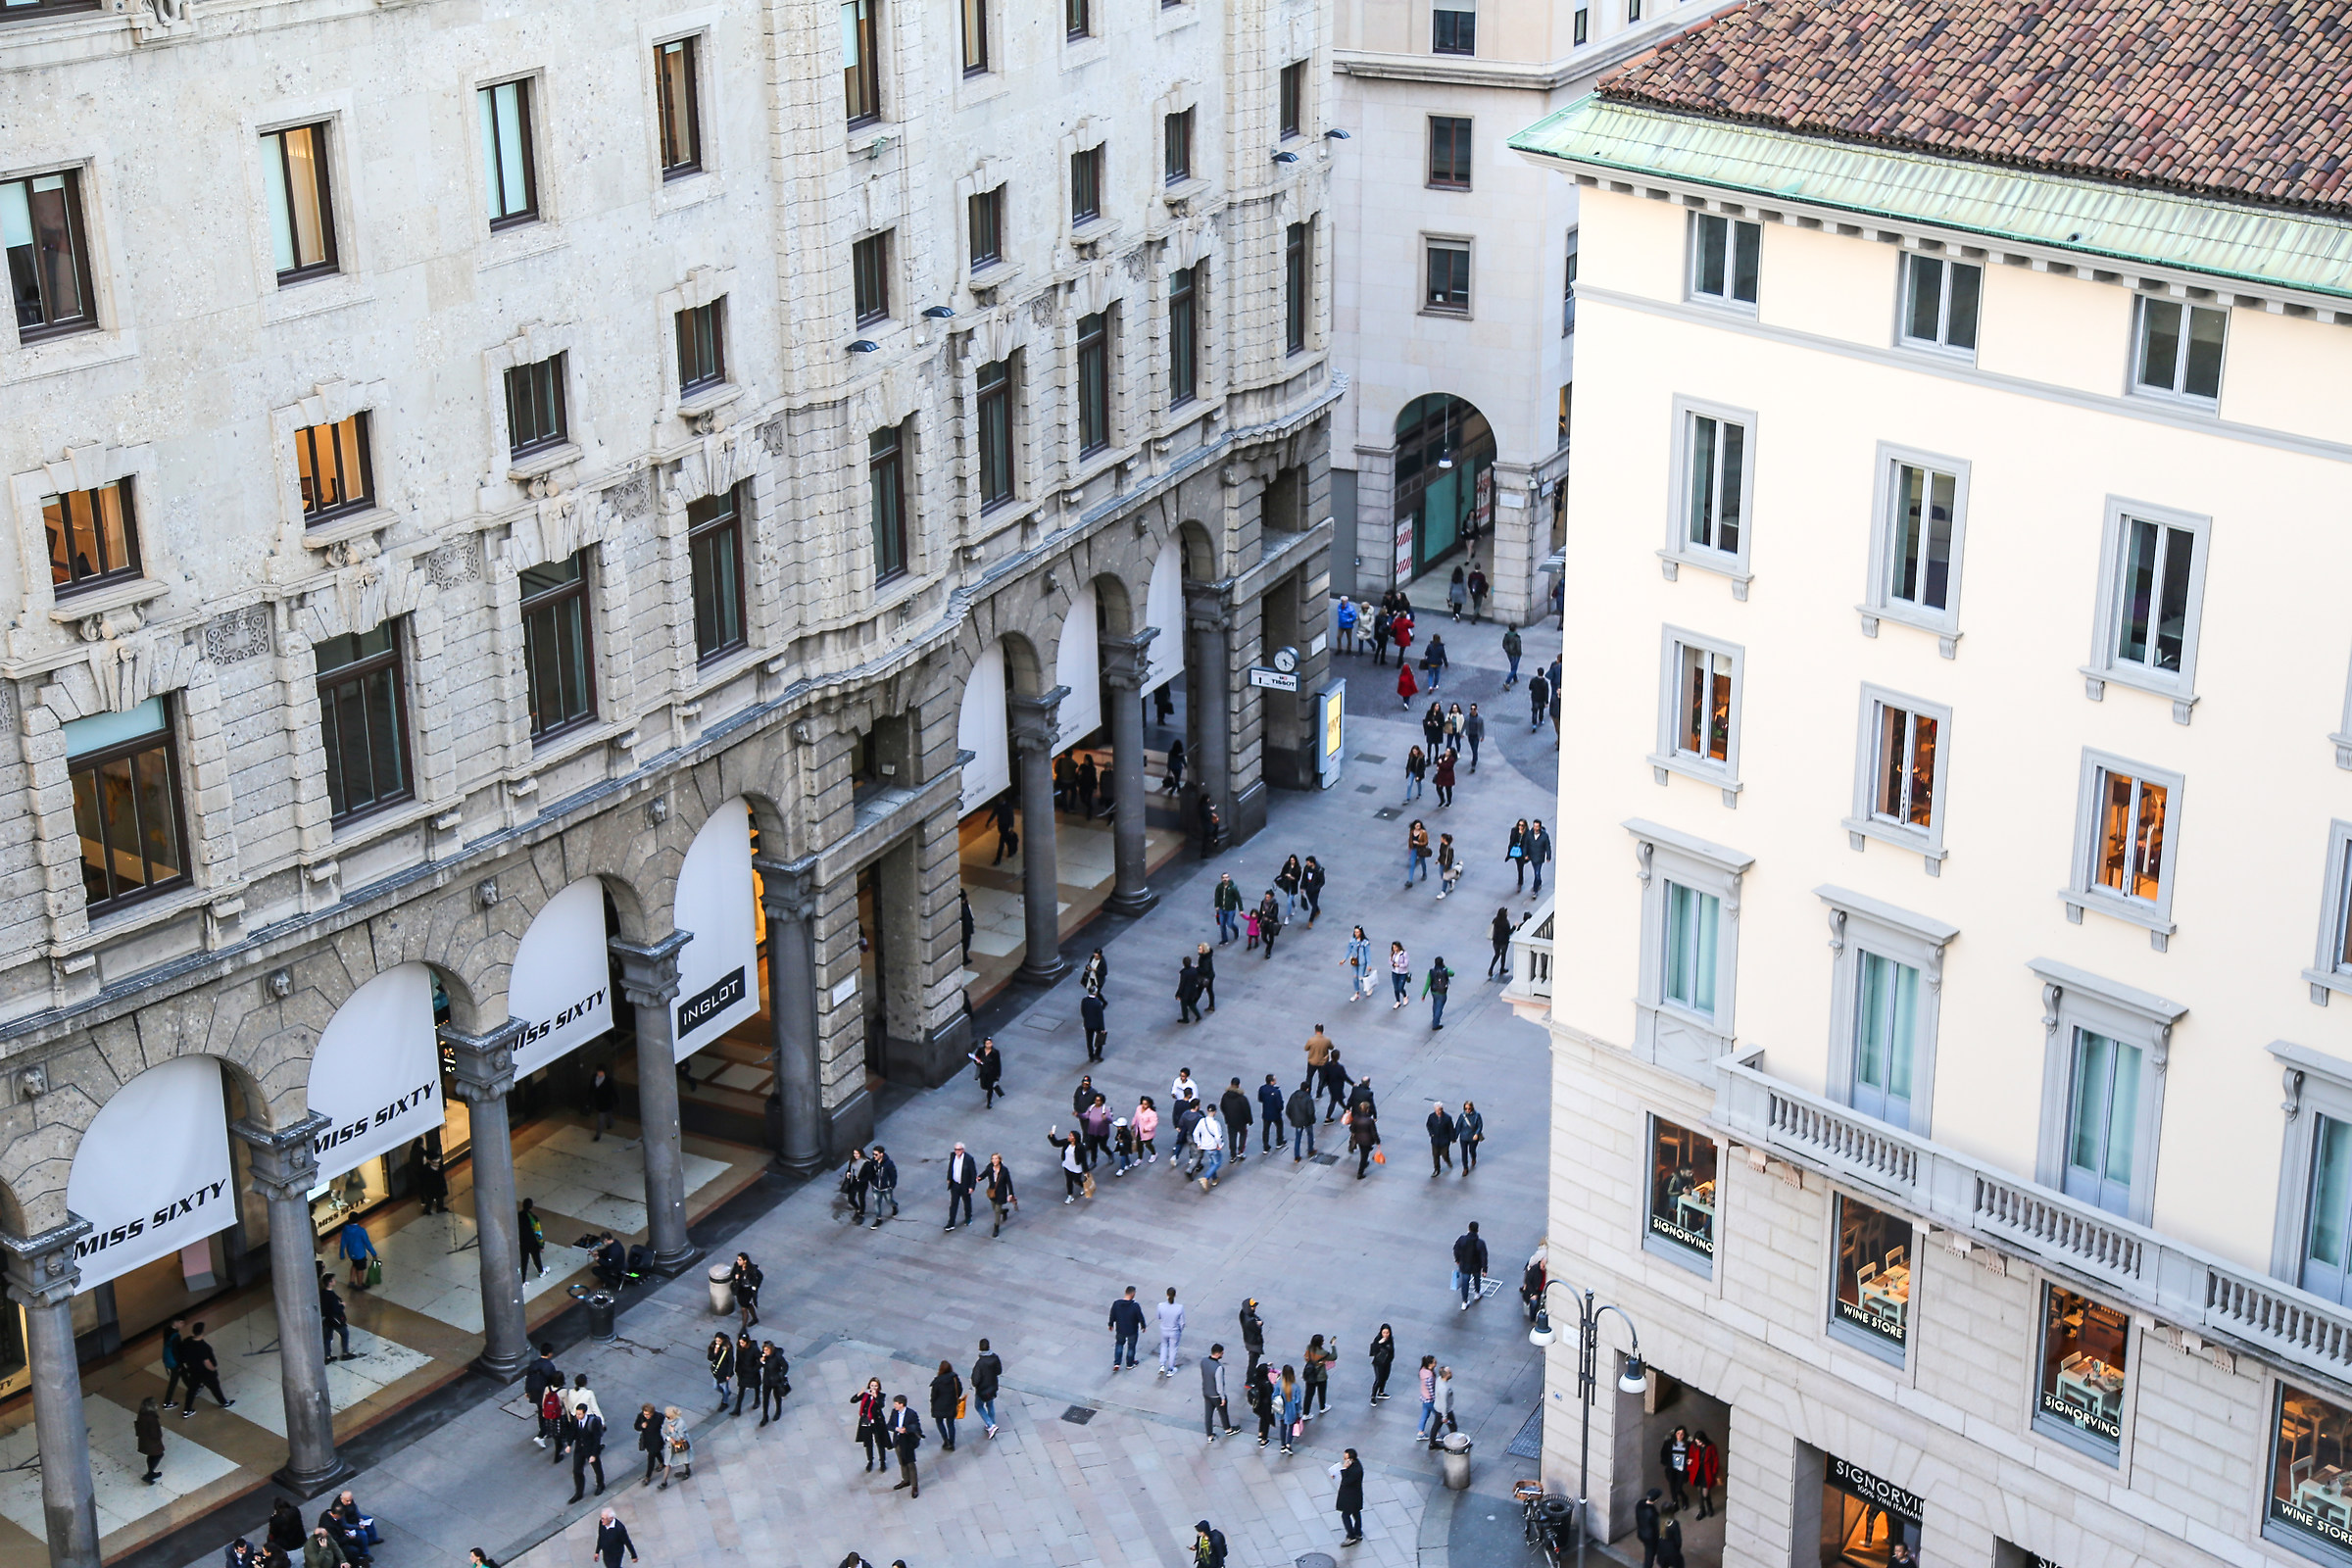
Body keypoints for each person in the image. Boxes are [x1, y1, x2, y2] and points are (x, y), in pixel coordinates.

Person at [176, 1322, 233, 1415]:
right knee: (215, 1387)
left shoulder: (187, 1341)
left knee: (192, 1390)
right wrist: (213, 1370)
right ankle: (223, 1402)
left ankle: (186, 1410)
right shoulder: (204, 1347)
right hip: (205, 1373)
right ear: (202, 1333)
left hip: (193, 1370)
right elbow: (207, 1362)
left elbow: (183, 1354)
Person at [886, 1394, 924, 1495]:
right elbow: (889, 1425)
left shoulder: (911, 1414)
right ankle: (906, 1480)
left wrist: (906, 1429)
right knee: (902, 1462)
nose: (894, 1406)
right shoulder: (894, 1413)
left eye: (896, 1404)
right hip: (898, 1440)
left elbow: (917, 1427)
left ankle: (914, 1486)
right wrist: (896, 1429)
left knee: (910, 1463)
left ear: (901, 1404)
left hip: (908, 1441)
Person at [568, 1401, 607, 1500]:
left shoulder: (592, 1422)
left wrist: (594, 1454)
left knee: (597, 1468)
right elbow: (573, 1432)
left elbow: (597, 1438)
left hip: (590, 1448)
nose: (578, 1416)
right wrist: (569, 1444)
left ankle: (600, 1484)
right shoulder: (575, 1420)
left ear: (585, 1413)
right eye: (577, 1414)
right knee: (576, 1470)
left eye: (580, 1414)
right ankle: (579, 1492)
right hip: (579, 1449)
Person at [1200, 1343, 1238, 1440]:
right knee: (1223, 1412)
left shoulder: (1204, 1361)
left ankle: (1209, 1435)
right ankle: (1228, 1429)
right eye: (1222, 1353)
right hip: (1216, 1395)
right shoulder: (1218, 1367)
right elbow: (1219, 1385)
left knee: (1208, 1414)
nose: (1222, 1354)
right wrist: (1222, 1397)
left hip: (1206, 1392)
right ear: (1218, 1354)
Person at [851, 1380, 888, 1472]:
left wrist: (876, 1398)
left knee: (880, 1442)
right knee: (868, 1442)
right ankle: (870, 1461)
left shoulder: (881, 1395)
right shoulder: (865, 1395)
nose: (873, 1387)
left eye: (875, 1386)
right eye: (872, 1385)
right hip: (866, 1421)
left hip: (877, 1422)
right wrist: (859, 1394)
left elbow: (881, 1405)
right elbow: (853, 1401)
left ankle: (882, 1461)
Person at [1332, 1447, 1366, 1544]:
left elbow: (1346, 1481)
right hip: (1355, 1495)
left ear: (1350, 1459)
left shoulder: (1355, 1470)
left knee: (1345, 1515)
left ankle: (1351, 1536)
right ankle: (1358, 1532)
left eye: (1345, 1458)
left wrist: (1344, 1469)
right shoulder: (1356, 1465)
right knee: (1356, 1513)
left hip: (1350, 1497)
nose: (1344, 1460)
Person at [970, 1340, 1004, 1438]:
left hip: (982, 1390)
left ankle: (990, 1425)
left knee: (979, 1406)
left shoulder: (980, 1363)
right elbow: (999, 1371)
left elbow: (975, 1380)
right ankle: (992, 1423)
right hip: (993, 1387)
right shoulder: (995, 1358)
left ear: (980, 1348)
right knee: (990, 1404)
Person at [929, 1358, 963, 1453]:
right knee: (951, 1424)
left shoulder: (937, 1382)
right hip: (951, 1405)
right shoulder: (954, 1378)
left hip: (939, 1407)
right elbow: (959, 1390)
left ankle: (946, 1441)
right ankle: (952, 1443)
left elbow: (933, 1396)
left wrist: (932, 1404)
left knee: (940, 1423)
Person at [982, 1151, 1019, 1237]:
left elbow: (1009, 1182)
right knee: (994, 1208)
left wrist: (1011, 1194)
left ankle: (996, 1228)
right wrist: (979, 1178)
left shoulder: (1004, 1170)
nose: (994, 1160)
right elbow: (985, 1174)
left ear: (999, 1160)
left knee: (997, 1211)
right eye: (992, 1159)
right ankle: (1004, 1211)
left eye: (996, 1159)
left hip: (1001, 1193)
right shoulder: (989, 1167)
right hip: (992, 1192)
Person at [1453, 1221, 1489, 1309]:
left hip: (1464, 1265)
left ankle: (1464, 1302)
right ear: (1477, 1230)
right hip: (1476, 1266)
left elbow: (1456, 1249)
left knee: (1465, 1283)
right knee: (1477, 1278)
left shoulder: (1462, 1239)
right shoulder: (1480, 1243)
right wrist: (1484, 1269)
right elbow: (1484, 1256)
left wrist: (1457, 1259)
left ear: (1468, 1229)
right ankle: (1477, 1293)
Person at [1192, 1100, 1227, 1189]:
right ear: (1215, 1112)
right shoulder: (1215, 1124)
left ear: (1207, 1111)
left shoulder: (1202, 1121)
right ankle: (1206, 1178)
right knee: (1217, 1163)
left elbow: (1195, 1133)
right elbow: (1218, 1137)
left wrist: (1198, 1143)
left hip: (1205, 1146)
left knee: (1212, 1162)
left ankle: (1215, 1179)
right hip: (1213, 1147)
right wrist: (1220, 1145)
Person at [1109, 1286, 1147, 1370]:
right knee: (1131, 1347)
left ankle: (1117, 1363)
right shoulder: (1135, 1306)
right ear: (1133, 1294)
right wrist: (1143, 1326)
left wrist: (1110, 1324)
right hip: (1132, 1331)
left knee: (1119, 1344)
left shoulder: (1117, 1303)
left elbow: (1112, 1315)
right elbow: (1140, 1317)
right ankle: (1129, 1364)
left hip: (1120, 1329)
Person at [1049, 1124, 1088, 1202]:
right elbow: (1056, 1143)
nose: (1069, 1137)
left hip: (1076, 1167)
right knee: (1069, 1181)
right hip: (1067, 1165)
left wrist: (1086, 1170)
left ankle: (1083, 1186)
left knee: (1076, 1180)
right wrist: (1052, 1136)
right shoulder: (1066, 1142)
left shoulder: (1080, 1147)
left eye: (1071, 1135)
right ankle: (1070, 1195)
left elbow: (1083, 1159)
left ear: (1075, 1138)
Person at [944, 1143, 977, 1232]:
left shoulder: (969, 1159)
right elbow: (951, 1167)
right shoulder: (953, 1156)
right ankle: (951, 1223)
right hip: (955, 1185)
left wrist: (972, 1186)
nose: (956, 1151)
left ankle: (968, 1217)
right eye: (955, 1149)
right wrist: (949, 1178)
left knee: (966, 1202)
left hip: (965, 1185)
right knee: (954, 1204)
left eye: (958, 1150)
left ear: (963, 1150)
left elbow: (973, 1174)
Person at [318, 1274, 353, 1360]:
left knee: (327, 1337)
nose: (335, 1281)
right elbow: (336, 1309)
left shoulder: (323, 1292)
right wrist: (342, 1306)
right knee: (345, 1334)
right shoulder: (332, 1297)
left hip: (327, 1320)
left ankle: (328, 1356)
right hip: (335, 1320)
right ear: (330, 1283)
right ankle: (345, 1353)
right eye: (333, 1280)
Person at [337, 1219, 378, 1292]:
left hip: (351, 1252)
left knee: (354, 1264)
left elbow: (343, 1242)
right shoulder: (361, 1231)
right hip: (360, 1254)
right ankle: (360, 1285)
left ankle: (351, 1281)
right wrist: (373, 1253)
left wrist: (342, 1254)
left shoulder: (345, 1230)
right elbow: (367, 1243)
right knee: (360, 1269)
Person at [1690, 1429, 1723, 1519]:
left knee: (1705, 1494)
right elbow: (1691, 1456)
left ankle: (1708, 1508)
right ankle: (1703, 1510)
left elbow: (1715, 1460)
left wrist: (1714, 1471)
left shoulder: (1711, 1447)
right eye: (1697, 1442)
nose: (1698, 1444)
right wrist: (1690, 1462)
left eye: (1699, 1442)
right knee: (1700, 1493)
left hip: (1706, 1473)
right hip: (1698, 1472)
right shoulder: (1695, 1446)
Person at [1219, 1078, 1253, 1164]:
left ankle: (1232, 1155)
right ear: (1238, 1085)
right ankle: (1240, 1152)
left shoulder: (1225, 1096)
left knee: (1232, 1137)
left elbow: (1222, 1107)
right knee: (1243, 1134)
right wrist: (1249, 1120)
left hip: (1230, 1121)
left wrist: (1227, 1115)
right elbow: (1247, 1110)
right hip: (1241, 1122)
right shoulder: (1242, 1098)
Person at [657, 1404, 691, 1490]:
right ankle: (664, 1481)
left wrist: (672, 1432)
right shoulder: (666, 1420)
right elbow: (663, 1430)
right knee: (667, 1463)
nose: (666, 1418)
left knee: (685, 1459)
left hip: (680, 1445)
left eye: (668, 1416)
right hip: (670, 1446)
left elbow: (680, 1437)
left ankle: (687, 1471)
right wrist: (668, 1438)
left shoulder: (680, 1423)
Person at [866, 1144, 900, 1227]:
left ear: (882, 1154)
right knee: (877, 1203)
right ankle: (878, 1219)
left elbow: (893, 1175)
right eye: (873, 1154)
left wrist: (891, 1186)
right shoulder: (873, 1162)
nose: (874, 1156)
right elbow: (871, 1171)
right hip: (876, 1187)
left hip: (886, 1188)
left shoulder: (888, 1164)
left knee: (889, 1201)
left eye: (876, 1154)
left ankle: (894, 1206)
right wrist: (872, 1181)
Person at [1660, 1425, 1692, 1511]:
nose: (1680, 1436)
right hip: (1672, 1468)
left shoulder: (1688, 1445)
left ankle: (1684, 1498)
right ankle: (1675, 1503)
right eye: (1678, 1433)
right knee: (1672, 1487)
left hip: (1682, 1469)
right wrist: (1667, 1463)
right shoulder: (1669, 1443)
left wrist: (1690, 1461)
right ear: (1675, 1434)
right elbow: (1663, 1454)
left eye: (1682, 1434)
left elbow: (1692, 1455)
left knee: (1678, 1488)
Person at [1301, 1334, 1334, 1418]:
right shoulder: (1324, 1353)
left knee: (1308, 1394)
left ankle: (1306, 1413)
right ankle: (1322, 1407)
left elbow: (1306, 1358)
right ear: (1320, 1343)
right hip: (1321, 1376)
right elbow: (1334, 1356)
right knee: (1321, 1392)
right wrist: (1333, 1346)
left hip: (1310, 1374)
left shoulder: (1309, 1347)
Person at [1157, 1287, 1187, 1377]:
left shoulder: (1160, 1305)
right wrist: (1179, 1330)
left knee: (1164, 1346)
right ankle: (1170, 1368)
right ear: (1175, 1295)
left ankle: (1162, 1365)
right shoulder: (1179, 1307)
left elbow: (1158, 1317)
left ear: (1166, 1294)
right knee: (1173, 1349)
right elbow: (1182, 1322)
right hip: (1174, 1331)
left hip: (1164, 1329)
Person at [1275, 1364, 1303, 1455]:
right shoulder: (1295, 1386)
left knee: (1282, 1427)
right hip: (1291, 1410)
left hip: (1281, 1409)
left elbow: (1274, 1396)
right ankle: (1288, 1444)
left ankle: (1282, 1445)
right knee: (1291, 1427)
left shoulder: (1279, 1384)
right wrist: (1299, 1411)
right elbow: (1298, 1401)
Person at [135, 1396, 165, 1483]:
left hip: (145, 1440)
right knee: (158, 1455)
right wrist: (158, 1437)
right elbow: (154, 1433)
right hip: (152, 1442)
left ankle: (150, 1472)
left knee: (152, 1455)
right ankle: (150, 1474)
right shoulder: (151, 1418)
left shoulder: (142, 1413)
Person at [1427, 1365, 1457, 1448]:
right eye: (1450, 1372)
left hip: (1438, 1408)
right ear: (1446, 1375)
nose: (1451, 1373)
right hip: (1445, 1410)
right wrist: (1445, 1416)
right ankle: (1454, 1443)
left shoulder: (1439, 1379)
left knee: (1436, 1425)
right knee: (1453, 1427)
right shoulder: (1444, 1389)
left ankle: (1432, 1443)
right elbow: (1444, 1403)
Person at [413, 1144, 449, 1214]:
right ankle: (427, 1210)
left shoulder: (438, 1165)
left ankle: (440, 1208)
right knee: (430, 1199)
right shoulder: (427, 1168)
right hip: (431, 1186)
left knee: (439, 1198)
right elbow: (424, 1179)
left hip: (438, 1185)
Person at [1348, 1100, 1381, 1179]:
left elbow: (1352, 1129)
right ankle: (1360, 1173)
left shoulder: (1356, 1118)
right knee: (1364, 1156)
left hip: (1359, 1139)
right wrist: (1377, 1141)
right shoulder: (1369, 1120)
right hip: (1367, 1141)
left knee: (1363, 1152)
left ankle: (1364, 1163)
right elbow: (1374, 1132)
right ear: (1367, 1109)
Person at [731, 1251, 763, 1328]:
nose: (738, 1261)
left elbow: (760, 1276)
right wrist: (735, 1278)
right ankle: (755, 1318)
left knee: (744, 1308)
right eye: (738, 1259)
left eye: (740, 1260)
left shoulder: (751, 1269)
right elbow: (732, 1274)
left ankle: (743, 1327)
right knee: (747, 1305)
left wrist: (756, 1286)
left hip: (748, 1290)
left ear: (745, 1261)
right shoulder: (737, 1266)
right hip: (740, 1288)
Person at [517, 1198, 547, 1280]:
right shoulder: (534, 1218)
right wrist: (541, 1245)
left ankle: (523, 1280)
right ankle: (541, 1271)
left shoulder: (519, 1215)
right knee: (536, 1258)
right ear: (531, 1206)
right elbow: (538, 1233)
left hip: (523, 1241)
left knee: (524, 1261)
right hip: (533, 1242)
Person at [970, 1037, 1004, 1107]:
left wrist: (997, 1076)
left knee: (990, 1088)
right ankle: (992, 1088)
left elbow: (998, 1064)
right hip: (983, 1072)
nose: (989, 1045)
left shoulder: (995, 1052)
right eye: (987, 1043)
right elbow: (976, 1058)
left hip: (991, 1073)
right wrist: (977, 1062)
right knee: (983, 1086)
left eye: (990, 1043)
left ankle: (989, 1101)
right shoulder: (980, 1050)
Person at [1343, 927, 1374, 1002]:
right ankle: (1357, 993)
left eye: (1357, 932)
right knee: (1355, 977)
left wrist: (1369, 964)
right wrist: (1344, 959)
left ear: (1361, 932)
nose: (1356, 934)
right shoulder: (1352, 940)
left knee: (1360, 977)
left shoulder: (1365, 942)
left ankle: (1368, 986)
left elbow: (1367, 953)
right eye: (1355, 932)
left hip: (1362, 962)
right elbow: (1348, 950)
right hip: (1354, 961)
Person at [1367, 1325, 1396, 1404]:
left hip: (1387, 1362)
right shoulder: (1378, 1340)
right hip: (1379, 1363)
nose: (1386, 1334)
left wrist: (1391, 1359)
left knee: (1385, 1377)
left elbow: (1392, 1350)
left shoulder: (1390, 1340)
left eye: (1387, 1333)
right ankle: (1373, 1396)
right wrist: (1379, 1343)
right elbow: (1373, 1350)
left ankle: (1381, 1392)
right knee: (1379, 1379)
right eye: (1384, 1332)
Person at [1427, 1102, 1458, 1176]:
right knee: (1435, 1155)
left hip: (1444, 1140)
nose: (1438, 1112)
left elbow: (1451, 1129)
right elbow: (1428, 1125)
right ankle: (1437, 1169)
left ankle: (1447, 1160)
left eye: (1439, 1110)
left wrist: (1453, 1138)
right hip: (1435, 1140)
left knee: (1444, 1154)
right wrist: (1431, 1133)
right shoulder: (1431, 1117)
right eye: (1436, 1111)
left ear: (1442, 1109)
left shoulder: (1447, 1118)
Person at [840, 1147, 870, 1222]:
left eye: (857, 1153)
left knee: (861, 1198)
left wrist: (862, 1180)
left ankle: (861, 1214)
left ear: (861, 1153)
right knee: (851, 1199)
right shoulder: (852, 1161)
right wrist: (848, 1173)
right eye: (854, 1153)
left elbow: (870, 1175)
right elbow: (849, 1169)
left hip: (862, 1183)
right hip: (853, 1182)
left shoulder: (866, 1162)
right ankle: (857, 1209)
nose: (855, 1155)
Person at [1256, 1074, 1285, 1153]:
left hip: (1266, 1112)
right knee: (1279, 1126)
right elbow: (1279, 1105)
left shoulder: (1262, 1089)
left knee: (1266, 1129)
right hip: (1275, 1113)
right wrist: (1280, 1108)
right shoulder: (1276, 1092)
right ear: (1272, 1082)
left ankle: (1266, 1146)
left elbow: (1260, 1099)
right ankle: (1279, 1141)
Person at [1238, 1298, 1267, 1376]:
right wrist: (1259, 1324)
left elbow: (1255, 1317)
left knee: (1253, 1360)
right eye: (1253, 1306)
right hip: (1253, 1343)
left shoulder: (1243, 1313)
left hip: (1248, 1339)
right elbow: (1258, 1330)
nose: (1255, 1308)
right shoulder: (1250, 1321)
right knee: (1253, 1362)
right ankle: (1250, 1380)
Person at [1424, 955, 1454, 1029]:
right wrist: (1445, 967)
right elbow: (1452, 973)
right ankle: (1435, 1024)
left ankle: (1434, 1018)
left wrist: (1423, 994)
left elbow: (1427, 983)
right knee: (1439, 1008)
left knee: (1435, 1004)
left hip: (1434, 991)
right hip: (1442, 992)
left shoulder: (1431, 971)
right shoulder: (1445, 971)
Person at [708, 1332, 736, 1411]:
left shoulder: (727, 1348)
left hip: (724, 1371)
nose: (717, 1343)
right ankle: (726, 1393)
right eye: (716, 1341)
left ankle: (724, 1402)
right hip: (716, 1370)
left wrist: (729, 1373)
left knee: (725, 1387)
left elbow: (731, 1361)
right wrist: (715, 1352)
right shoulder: (713, 1346)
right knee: (716, 1386)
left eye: (719, 1341)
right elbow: (710, 1358)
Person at [1636, 1490, 1663, 1568]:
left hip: (1642, 1533)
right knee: (1649, 1556)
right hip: (1650, 1538)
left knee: (1650, 1552)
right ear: (1656, 1500)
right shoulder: (1652, 1513)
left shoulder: (1640, 1504)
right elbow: (1658, 1527)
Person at [1213, 871, 1243, 943]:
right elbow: (1216, 896)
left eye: (1226, 877)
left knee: (1229, 923)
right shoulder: (1219, 887)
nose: (1225, 879)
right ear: (1221, 879)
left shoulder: (1233, 888)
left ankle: (1236, 930)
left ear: (1229, 878)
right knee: (1222, 924)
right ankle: (1224, 939)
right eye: (1223, 878)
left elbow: (1238, 898)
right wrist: (1216, 905)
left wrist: (1241, 909)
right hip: (1221, 909)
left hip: (1230, 909)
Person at [1526, 817, 1552, 896]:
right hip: (1532, 857)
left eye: (1537, 826)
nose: (1535, 828)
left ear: (1540, 827)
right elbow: (1526, 845)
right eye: (1534, 826)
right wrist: (1526, 854)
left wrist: (1548, 856)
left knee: (1537, 873)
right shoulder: (1529, 834)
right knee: (1536, 872)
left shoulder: (1544, 836)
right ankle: (1539, 881)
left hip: (1540, 857)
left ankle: (1535, 890)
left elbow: (1548, 846)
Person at [990, 793, 1019, 864]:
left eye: (1000, 798)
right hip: (1001, 826)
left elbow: (1011, 817)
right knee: (1007, 840)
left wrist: (1011, 827)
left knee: (1001, 843)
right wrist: (988, 821)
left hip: (1006, 827)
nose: (999, 800)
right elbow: (994, 814)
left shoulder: (1008, 807)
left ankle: (998, 860)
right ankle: (1011, 851)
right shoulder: (998, 806)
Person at [1488, 907, 1515, 979]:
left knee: (1496, 955)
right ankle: (1502, 968)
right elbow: (1509, 932)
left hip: (1496, 941)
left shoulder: (1495, 920)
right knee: (1503, 955)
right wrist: (1515, 926)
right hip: (1504, 942)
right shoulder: (1506, 923)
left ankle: (1491, 969)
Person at [1458, 1101, 1486, 1174]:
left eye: (1469, 1109)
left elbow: (1480, 1125)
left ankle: (1473, 1157)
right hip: (1463, 1137)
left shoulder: (1477, 1115)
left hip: (1473, 1137)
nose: (1467, 1110)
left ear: (1472, 1108)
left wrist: (1477, 1134)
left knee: (1472, 1150)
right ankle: (1465, 1168)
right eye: (1466, 1109)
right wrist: (1454, 1137)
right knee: (1464, 1153)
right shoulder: (1462, 1116)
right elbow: (1458, 1126)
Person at [1080, 988, 1107, 1060]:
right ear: (1095, 993)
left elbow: (1083, 1011)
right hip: (1097, 1024)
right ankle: (1097, 1054)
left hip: (1088, 1023)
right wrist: (1102, 1028)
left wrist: (1086, 1019)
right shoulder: (1098, 1003)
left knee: (1089, 1041)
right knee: (1100, 1039)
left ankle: (1091, 1056)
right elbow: (1100, 1017)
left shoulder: (1084, 1001)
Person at [1254, 890, 1283, 958]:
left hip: (1271, 922)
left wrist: (1266, 914)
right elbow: (1261, 912)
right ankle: (1269, 944)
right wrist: (1258, 921)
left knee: (1271, 936)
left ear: (1272, 897)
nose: (1267, 898)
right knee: (1263, 937)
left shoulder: (1275, 904)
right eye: (1266, 897)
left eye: (1268, 897)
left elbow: (1275, 914)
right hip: (1264, 922)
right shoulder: (1263, 902)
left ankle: (1268, 951)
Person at [1276, 855, 1303, 923]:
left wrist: (1291, 877)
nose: (1292, 862)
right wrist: (1286, 875)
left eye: (1293, 860)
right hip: (1286, 885)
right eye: (1291, 860)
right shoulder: (1287, 865)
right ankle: (1294, 907)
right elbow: (1282, 873)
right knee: (1289, 897)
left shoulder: (1298, 868)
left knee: (1289, 901)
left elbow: (1297, 879)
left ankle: (1287, 917)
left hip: (1293, 886)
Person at [1177, 957, 1205, 1023]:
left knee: (1184, 1005)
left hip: (1185, 992)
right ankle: (1198, 1015)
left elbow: (1182, 984)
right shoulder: (1194, 970)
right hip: (1192, 990)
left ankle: (1185, 1018)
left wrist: (1178, 994)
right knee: (1191, 1003)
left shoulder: (1184, 973)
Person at [1299, 856, 1325, 925]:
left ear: (1312, 863)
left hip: (1315, 890)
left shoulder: (1319, 870)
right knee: (1311, 901)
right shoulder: (1307, 868)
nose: (1307, 864)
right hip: (1308, 888)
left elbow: (1322, 882)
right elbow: (1304, 878)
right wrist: (1302, 887)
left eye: (1308, 862)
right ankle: (1317, 910)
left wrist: (1316, 888)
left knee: (1313, 904)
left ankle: (1311, 920)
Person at [1133, 1098, 1160, 1162]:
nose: (1143, 1106)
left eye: (1145, 1104)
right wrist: (1133, 1123)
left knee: (1148, 1144)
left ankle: (1154, 1153)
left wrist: (1147, 1128)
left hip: (1147, 1133)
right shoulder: (1139, 1108)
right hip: (1139, 1131)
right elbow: (1136, 1117)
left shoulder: (1152, 1113)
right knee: (1139, 1145)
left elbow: (1154, 1122)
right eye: (1142, 1104)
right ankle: (1139, 1158)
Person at [1195, 942, 1219, 1011]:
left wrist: (1197, 968)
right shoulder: (1207, 956)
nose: (1198, 950)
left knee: (1200, 989)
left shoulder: (1204, 959)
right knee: (1209, 990)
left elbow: (1204, 969)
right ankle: (1211, 1005)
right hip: (1210, 975)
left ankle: (1193, 1003)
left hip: (1206, 977)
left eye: (1200, 949)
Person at [1507, 818, 1531, 891]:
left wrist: (1528, 855)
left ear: (1525, 826)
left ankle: (1520, 883)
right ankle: (1520, 882)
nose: (1520, 826)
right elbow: (1511, 841)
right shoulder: (1514, 831)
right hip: (1516, 851)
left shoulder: (1527, 833)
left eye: (1522, 825)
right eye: (1519, 825)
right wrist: (1509, 853)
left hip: (1523, 852)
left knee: (1521, 866)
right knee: (1519, 867)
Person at [1405, 820, 1431, 887]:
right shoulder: (1412, 831)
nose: (1418, 827)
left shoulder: (1423, 832)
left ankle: (1424, 873)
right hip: (1413, 849)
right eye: (1417, 826)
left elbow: (1426, 842)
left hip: (1420, 849)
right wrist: (1410, 848)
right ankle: (1410, 880)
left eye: (1419, 826)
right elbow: (1410, 839)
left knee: (1422, 862)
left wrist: (1418, 843)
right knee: (1412, 864)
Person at [1436, 832, 1459, 899]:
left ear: (1444, 839)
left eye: (1441, 838)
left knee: (1445, 878)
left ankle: (1443, 891)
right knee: (1442, 875)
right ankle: (1451, 882)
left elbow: (1450, 859)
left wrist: (1446, 867)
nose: (1440, 839)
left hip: (1447, 865)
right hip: (1442, 863)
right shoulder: (1442, 845)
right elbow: (1441, 854)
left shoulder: (1450, 849)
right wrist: (1438, 860)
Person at [1463, 703, 1486, 772]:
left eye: (1474, 709)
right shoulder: (1467, 717)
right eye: (1471, 709)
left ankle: (1473, 764)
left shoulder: (1480, 718)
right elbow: (1464, 725)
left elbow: (1482, 728)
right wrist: (1461, 732)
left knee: (1475, 749)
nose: (1473, 710)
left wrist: (1482, 736)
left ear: (1476, 710)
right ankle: (1474, 758)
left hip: (1476, 736)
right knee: (1473, 748)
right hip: (1470, 735)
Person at [1075, 755, 1099, 819]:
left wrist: (1095, 786)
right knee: (1082, 798)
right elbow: (1078, 775)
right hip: (1082, 785)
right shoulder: (1082, 766)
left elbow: (1094, 778)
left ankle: (1089, 813)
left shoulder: (1092, 768)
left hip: (1089, 786)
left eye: (1086, 759)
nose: (1085, 761)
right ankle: (1089, 806)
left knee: (1089, 799)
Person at [1528, 666, 1551, 730]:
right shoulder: (1545, 683)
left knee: (1534, 711)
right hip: (1542, 699)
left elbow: (1530, 688)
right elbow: (1546, 692)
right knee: (1541, 710)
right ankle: (1541, 720)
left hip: (1535, 698)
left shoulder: (1533, 680)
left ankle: (1534, 724)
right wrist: (1546, 701)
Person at [1501, 623, 1523, 688]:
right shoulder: (1517, 638)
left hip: (1509, 654)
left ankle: (1515, 678)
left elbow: (1504, 644)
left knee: (1513, 665)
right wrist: (1519, 654)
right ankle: (1507, 682)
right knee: (1514, 669)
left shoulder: (1506, 636)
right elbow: (1518, 648)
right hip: (1516, 654)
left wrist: (1507, 650)